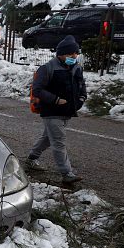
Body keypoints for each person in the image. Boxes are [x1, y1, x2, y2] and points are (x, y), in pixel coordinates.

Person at [26, 35, 87, 185]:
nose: (74, 56)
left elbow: (81, 86)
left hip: (67, 111)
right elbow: (37, 89)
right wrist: (56, 100)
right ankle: (67, 173)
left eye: (76, 53)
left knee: (48, 138)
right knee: (59, 141)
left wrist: (81, 99)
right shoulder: (47, 68)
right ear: (60, 54)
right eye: (70, 53)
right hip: (51, 111)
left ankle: (31, 158)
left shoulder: (76, 67)